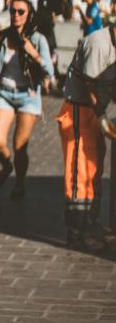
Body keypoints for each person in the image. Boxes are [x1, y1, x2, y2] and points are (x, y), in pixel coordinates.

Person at [0, 0, 54, 200]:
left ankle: (19, 183)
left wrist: (32, 52)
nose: (15, 15)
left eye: (20, 11)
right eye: (12, 11)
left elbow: (49, 71)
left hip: (29, 95)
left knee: (19, 147)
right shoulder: (2, 37)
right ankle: (7, 166)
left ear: (28, 14)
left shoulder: (37, 38)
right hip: (5, 93)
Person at [57, 24, 116, 251]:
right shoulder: (98, 43)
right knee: (79, 172)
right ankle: (75, 233)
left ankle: (90, 224)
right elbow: (90, 83)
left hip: (94, 111)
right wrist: (102, 117)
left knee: (94, 169)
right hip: (78, 111)